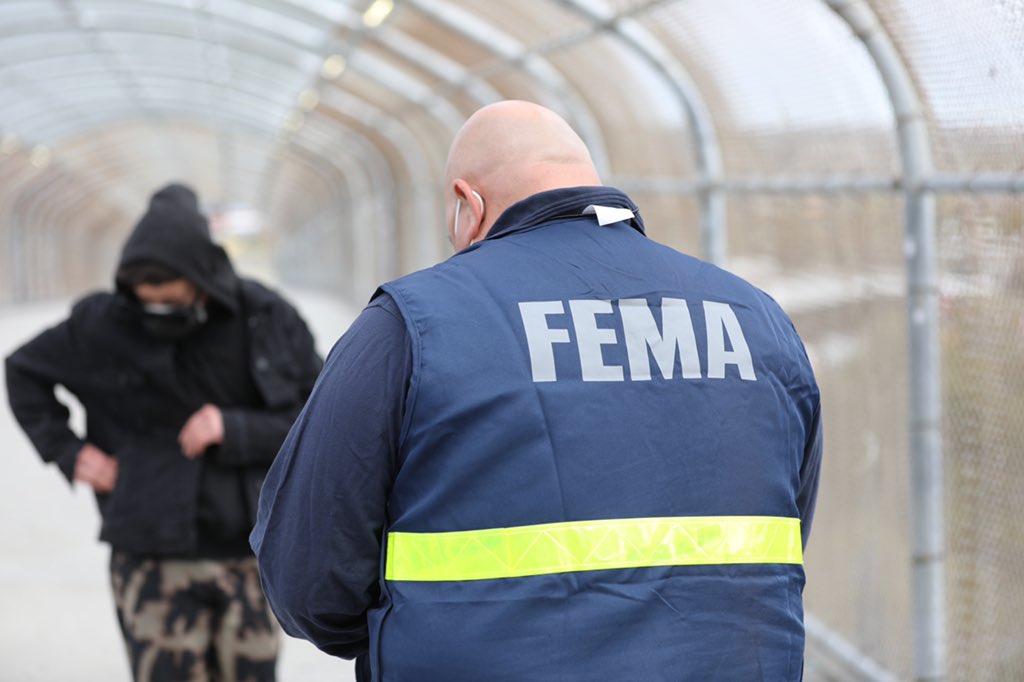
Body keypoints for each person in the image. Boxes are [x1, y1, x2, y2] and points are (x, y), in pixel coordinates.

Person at [251, 101, 823, 681]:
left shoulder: (412, 326)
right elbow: (783, 525)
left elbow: (308, 576)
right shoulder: (758, 321)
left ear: (467, 205)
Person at [5, 184, 323, 682]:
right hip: (149, 555)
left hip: (250, 555)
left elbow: (318, 418)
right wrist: (67, 452)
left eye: (173, 304)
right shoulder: (102, 324)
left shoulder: (265, 317)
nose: (159, 318)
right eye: (147, 306)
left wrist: (232, 426)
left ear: (204, 280)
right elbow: (22, 369)